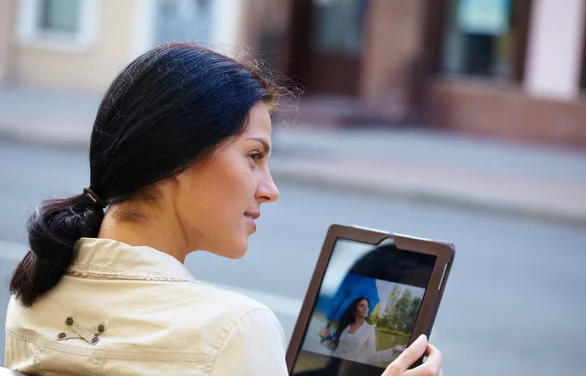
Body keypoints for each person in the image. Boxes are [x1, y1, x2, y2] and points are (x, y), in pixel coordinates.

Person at [4, 43, 443, 375]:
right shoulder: (233, 331)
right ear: (178, 157)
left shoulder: (33, 298)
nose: (270, 190)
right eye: (254, 156)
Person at [319, 297, 406, 365]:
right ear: (354, 309)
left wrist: (394, 350)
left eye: (367, 306)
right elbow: (334, 347)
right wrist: (325, 338)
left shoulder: (369, 329)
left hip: (347, 369)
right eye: (362, 306)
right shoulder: (344, 325)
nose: (366, 308)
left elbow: (373, 356)